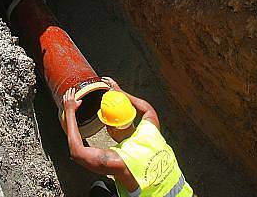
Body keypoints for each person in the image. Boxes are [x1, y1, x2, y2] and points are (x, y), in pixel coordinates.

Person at [63, 78, 193, 197]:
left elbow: (77, 152)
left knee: (98, 190)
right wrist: (120, 91)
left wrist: (69, 111)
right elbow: (148, 109)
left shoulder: (119, 161)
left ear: (109, 128)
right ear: (131, 116)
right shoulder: (151, 129)